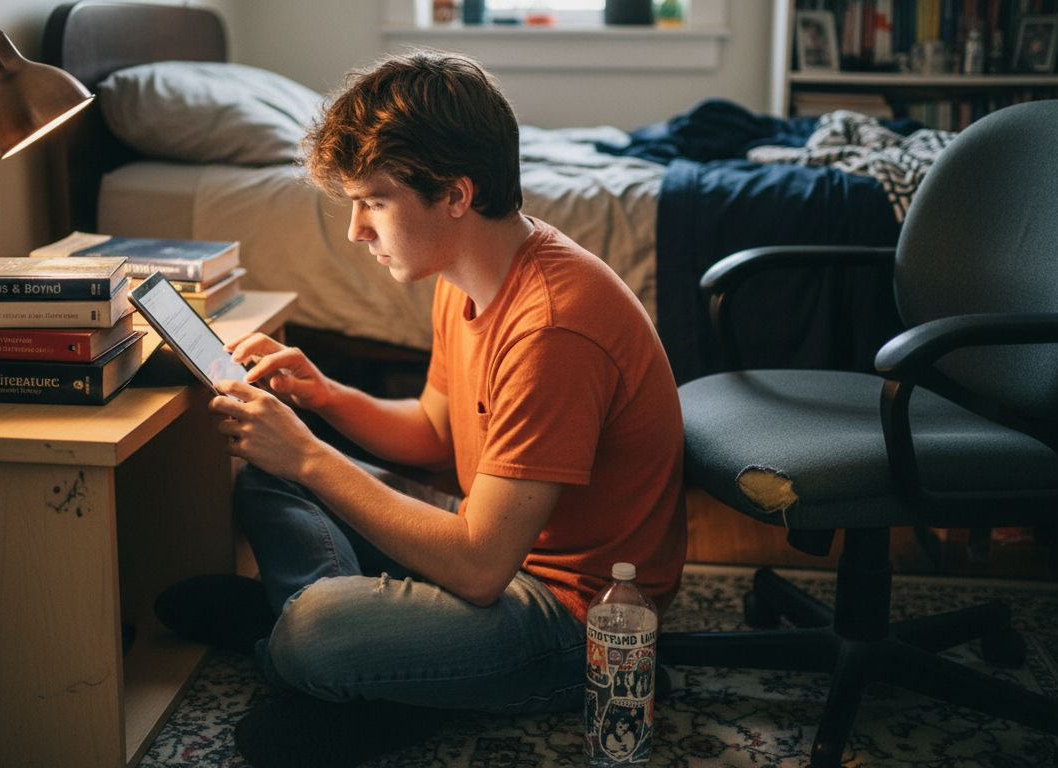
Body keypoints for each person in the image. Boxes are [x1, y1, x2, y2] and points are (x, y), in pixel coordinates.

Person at [156, 49, 686, 768]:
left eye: (374, 202)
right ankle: (363, 657)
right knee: (269, 478)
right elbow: (437, 430)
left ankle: (326, 649)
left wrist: (309, 455)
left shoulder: (552, 329)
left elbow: (479, 567)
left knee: (316, 626)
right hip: (493, 546)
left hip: (573, 620)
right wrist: (325, 397)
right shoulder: (467, 273)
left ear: (456, 195)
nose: (356, 230)